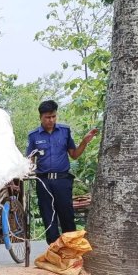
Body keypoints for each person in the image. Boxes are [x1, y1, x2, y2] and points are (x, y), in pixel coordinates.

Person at [26, 100, 98, 244]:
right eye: (47, 117)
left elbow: (74, 155)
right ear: (40, 117)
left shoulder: (65, 131)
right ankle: (54, 250)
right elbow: (29, 160)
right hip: (43, 181)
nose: (51, 120)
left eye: (53, 116)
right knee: (48, 215)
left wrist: (84, 142)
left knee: (66, 214)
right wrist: (26, 170)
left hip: (62, 180)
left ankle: (71, 249)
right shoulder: (34, 135)